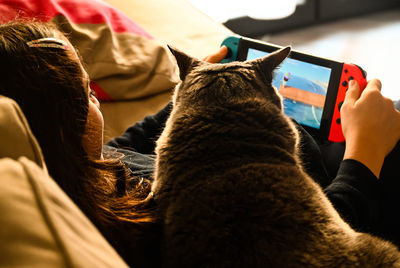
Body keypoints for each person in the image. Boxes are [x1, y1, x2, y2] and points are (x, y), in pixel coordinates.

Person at [1, 20, 399, 267]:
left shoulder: (87, 166)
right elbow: (321, 239)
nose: (96, 98)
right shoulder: (136, 219)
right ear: (62, 130)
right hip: (349, 194)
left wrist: (194, 88)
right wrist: (365, 154)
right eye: (89, 94)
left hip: (277, 139)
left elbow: (126, 142)